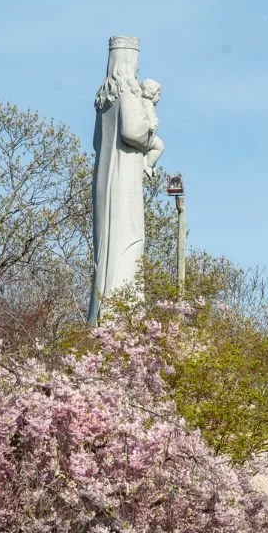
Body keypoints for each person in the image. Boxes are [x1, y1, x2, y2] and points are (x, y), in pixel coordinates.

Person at [88, 36, 159, 325]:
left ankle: (100, 312)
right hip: (124, 177)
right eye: (137, 63)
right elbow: (132, 131)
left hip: (104, 176)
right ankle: (121, 315)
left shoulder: (104, 98)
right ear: (129, 63)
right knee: (127, 237)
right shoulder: (128, 93)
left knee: (106, 241)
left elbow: (96, 142)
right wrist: (151, 134)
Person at [139, 78, 165, 174]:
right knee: (159, 146)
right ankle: (148, 165)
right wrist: (152, 124)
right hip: (148, 133)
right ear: (152, 92)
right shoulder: (147, 103)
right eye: (158, 94)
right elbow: (149, 116)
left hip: (149, 134)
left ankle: (149, 163)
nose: (159, 98)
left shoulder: (145, 103)